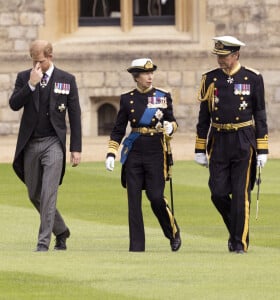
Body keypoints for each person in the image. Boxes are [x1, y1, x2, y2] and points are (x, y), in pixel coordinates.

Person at [195, 36, 268, 254]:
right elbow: (203, 117)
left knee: (240, 193)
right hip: (218, 140)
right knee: (217, 192)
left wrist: (263, 148)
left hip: (243, 139)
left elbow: (260, 114)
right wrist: (200, 147)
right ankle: (236, 229)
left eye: (224, 56)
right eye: (218, 55)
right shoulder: (210, 79)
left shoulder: (253, 78)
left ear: (236, 55)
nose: (220, 59)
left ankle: (239, 243)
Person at [9, 40, 82, 252]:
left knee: (49, 193)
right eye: (34, 61)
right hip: (30, 143)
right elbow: (14, 104)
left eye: (40, 61)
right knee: (34, 194)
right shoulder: (25, 77)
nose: (37, 65)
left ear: (50, 57)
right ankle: (61, 230)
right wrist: (31, 85)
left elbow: (75, 115)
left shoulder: (67, 80)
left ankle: (43, 243)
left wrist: (75, 148)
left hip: (54, 143)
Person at [105, 58, 181, 252]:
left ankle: (172, 232)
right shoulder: (126, 99)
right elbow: (118, 129)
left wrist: (169, 128)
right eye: (146, 74)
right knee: (133, 203)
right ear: (136, 77)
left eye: (151, 73)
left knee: (156, 197)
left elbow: (173, 122)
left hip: (156, 152)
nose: (150, 77)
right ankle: (137, 247)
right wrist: (111, 153)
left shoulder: (163, 96)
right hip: (134, 154)